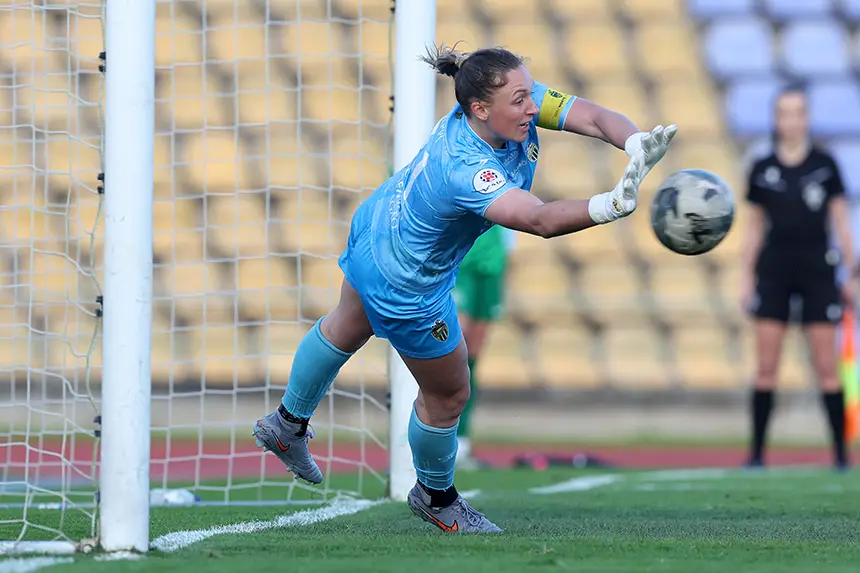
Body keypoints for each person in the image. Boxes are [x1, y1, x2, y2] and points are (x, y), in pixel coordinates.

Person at [253, 44, 677, 533]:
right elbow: (537, 219)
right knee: (450, 394)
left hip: (379, 222)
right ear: (480, 109)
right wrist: (607, 205)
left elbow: (598, 117)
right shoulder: (468, 168)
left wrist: (636, 143)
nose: (533, 107)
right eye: (520, 101)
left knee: (346, 324)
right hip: (406, 279)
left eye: (529, 94)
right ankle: (436, 496)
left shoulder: (502, 101)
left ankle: (286, 424)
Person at [740, 83, 857, 470]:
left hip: (816, 269)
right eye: (784, 113)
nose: (791, 120)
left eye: (798, 112)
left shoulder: (824, 166)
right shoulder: (762, 168)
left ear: (807, 118)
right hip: (774, 268)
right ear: (776, 119)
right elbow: (755, 227)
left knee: (827, 367)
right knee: (766, 367)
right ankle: (756, 455)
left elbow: (840, 223)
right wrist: (746, 278)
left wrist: (851, 272)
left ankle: (841, 456)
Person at [451, 223, 513, 469]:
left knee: (472, 355)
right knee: (455, 343)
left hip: (492, 259)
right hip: (461, 256)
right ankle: (435, 434)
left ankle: (461, 437)